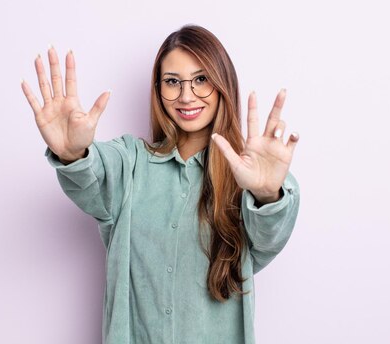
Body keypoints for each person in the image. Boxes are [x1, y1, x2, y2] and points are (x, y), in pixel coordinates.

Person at [21, 24, 300, 344]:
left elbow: (269, 237)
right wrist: (73, 154)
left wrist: (266, 194)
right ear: (158, 89)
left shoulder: (248, 175)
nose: (186, 95)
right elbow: (92, 175)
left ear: (222, 83)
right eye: (172, 82)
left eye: (201, 79)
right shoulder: (130, 160)